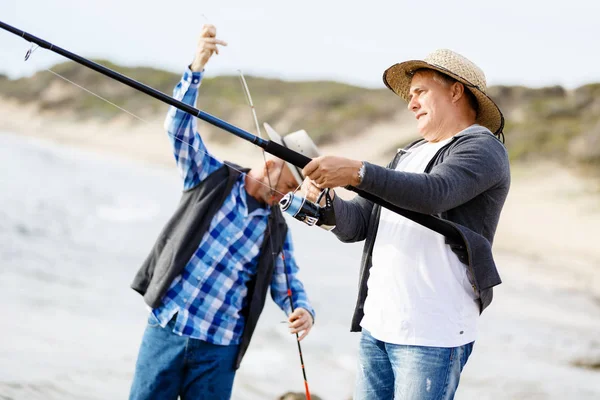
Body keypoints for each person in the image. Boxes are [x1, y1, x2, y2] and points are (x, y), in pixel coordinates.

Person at [301, 49, 511, 399]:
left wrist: (357, 172)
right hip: (377, 326)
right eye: (409, 96)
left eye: (420, 92)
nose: (411, 103)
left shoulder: (483, 148)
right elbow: (356, 225)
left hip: (433, 333)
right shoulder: (408, 153)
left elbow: (434, 193)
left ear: (456, 91)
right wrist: (329, 202)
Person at [128, 24, 318, 400]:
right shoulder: (211, 177)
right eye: (293, 183)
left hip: (220, 349)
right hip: (168, 327)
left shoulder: (276, 228)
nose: (294, 193)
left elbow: (288, 281)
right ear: (275, 163)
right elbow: (178, 125)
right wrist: (197, 66)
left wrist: (304, 311)